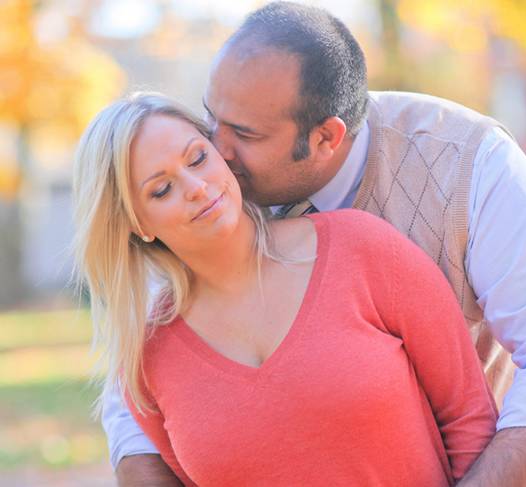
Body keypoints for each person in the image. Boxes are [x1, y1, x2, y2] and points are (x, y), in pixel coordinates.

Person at [105, 3, 526, 487]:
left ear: (326, 138)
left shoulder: (468, 164)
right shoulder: (198, 197)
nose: (216, 151)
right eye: (212, 116)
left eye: (245, 134)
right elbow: (138, 392)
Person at [73, 92, 498, 486]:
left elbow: (469, 419)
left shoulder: (361, 249)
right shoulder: (146, 360)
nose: (196, 188)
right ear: (137, 225)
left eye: (198, 158)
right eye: (162, 189)